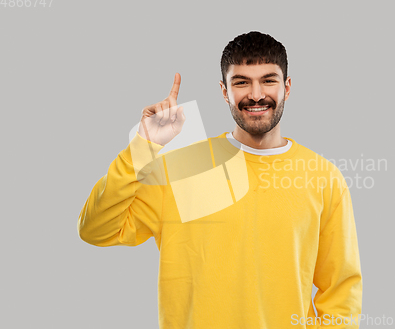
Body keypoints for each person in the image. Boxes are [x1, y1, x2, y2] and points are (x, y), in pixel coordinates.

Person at [78, 31, 362, 329]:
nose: (255, 94)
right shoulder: (180, 168)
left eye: (268, 80)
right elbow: (95, 229)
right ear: (224, 91)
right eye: (241, 82)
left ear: (287, 87)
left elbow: (340, 290)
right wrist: (142, 146)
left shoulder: (323, 176)